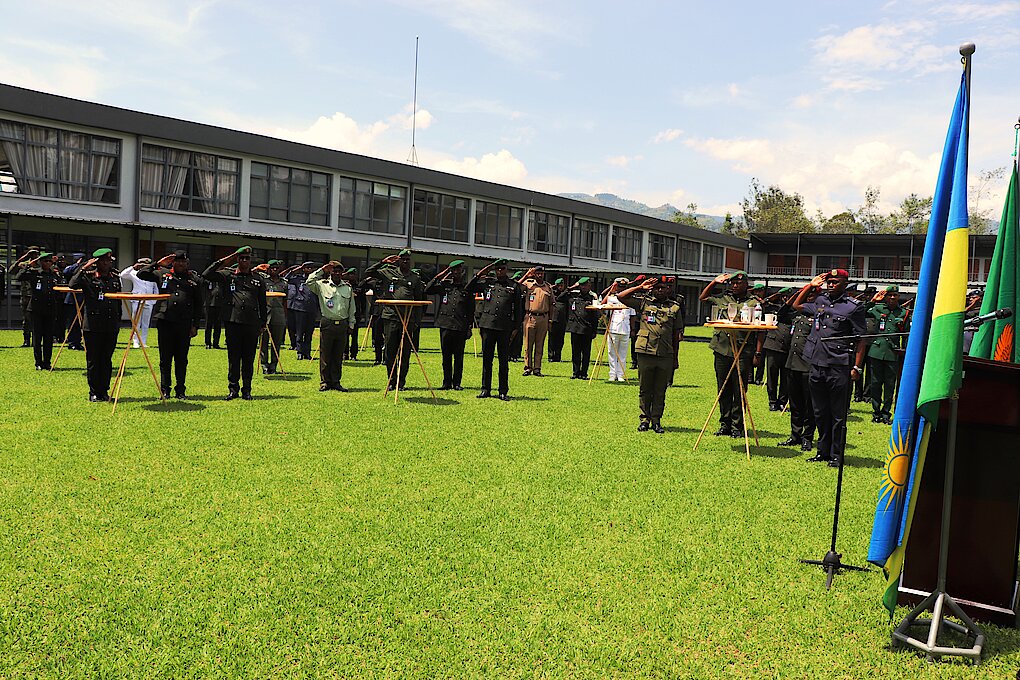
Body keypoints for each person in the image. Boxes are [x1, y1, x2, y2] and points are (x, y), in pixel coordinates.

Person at [793, 269, 867, 467]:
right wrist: (810, 286)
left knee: (837, 414)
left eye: (836, 282)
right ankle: (822, 451)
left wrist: (857, 367)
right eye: (829, 282)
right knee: (819, 412)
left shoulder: (853, 307)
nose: (831, 285)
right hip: (817, 363)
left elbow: (862, 339)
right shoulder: (820, 300)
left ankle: (836, 455)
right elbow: (797, 305)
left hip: (838, 365)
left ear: (845, 284)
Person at [617, 276, 684, 432]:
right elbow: (621, 296)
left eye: (663, 287)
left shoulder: (675, 307)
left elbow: (676, 335)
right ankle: (644, 419)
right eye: (657, 287)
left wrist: (675, 357)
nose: (660, 290)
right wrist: (640, 287)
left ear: (668, 289)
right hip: (645, 351)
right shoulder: (644, 302)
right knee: (645, 388)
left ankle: (656, 420)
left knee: (660, 390)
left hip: (665, 353)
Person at [202, 246, 268, 401]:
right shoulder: (228, 276)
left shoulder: (258, 279)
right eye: (241, 258)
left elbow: (262, 303)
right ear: (237, 260)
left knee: (248, 358)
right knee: (234, 357)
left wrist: (262, 323)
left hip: (251, 323)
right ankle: (233, 389)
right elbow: (206, 274)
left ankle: (247, 389)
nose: (244, 261)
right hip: (233, 322)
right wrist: (230, 256)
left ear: (250, 261)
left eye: (247, 258)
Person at [137, 251, 203, 398]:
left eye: (183, 261)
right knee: (165, 358)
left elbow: (198, 304)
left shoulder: (194, 279)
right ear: (173, 262)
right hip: (165, 320)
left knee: (181, 359)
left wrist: (195, 325)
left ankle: (180, 389)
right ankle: (165, 389)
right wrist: (158, 263)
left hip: (184, 322)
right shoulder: (163, 274)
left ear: (187, 263)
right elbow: (141, 274)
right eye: (177, 261)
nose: (180, 264)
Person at [699, 271, 756, 438]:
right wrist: (714, 282)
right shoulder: (723, 298)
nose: (735, 286)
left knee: (739, 390)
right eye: (733, 283)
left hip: (742, 350)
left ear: (746, 284)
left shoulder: (753, 302)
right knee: (723, 389)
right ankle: (725, 424)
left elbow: (759, 329)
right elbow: (703, 297)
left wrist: (758, 353)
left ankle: (737, 426)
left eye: (739, 283)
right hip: (722, 349)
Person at [365, 249, 426, 391]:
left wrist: (416, 321)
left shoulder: (415, 278)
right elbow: (369, 272)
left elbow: (419, 300)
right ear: (398, 260)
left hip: (407, 319)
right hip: (391, 317)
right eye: (402, 259)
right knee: (390, 351)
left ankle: (401, 382)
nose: (405, 261)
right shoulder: (388, 272)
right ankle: (391, 381)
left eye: (407, 259)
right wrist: (382, 262)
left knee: (405, 352)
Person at [68, 248, 123, 402]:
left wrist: (118, 319)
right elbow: (72, 284)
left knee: (106, 359)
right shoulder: (88, 277)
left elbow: (117, 301)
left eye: (109, 261)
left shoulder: (115, 277)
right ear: (97, 262)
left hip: (111, 325)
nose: (107, 263)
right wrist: (83, 268)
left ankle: (104, 390)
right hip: (93, 325)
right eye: (103, 261)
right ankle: (93, 392)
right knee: (93, 360)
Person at [467, 258, 523, 400]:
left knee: (503, 361)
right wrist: (480, 273)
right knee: (487, 359)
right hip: (488, 326)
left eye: (502, 269)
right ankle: (485, 389)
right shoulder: (488, 283)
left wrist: (516, 328)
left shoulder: (514, 286)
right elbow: (469, 288)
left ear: (506, 269)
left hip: (504, 327)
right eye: (497, 269)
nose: (499, 271)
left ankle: (503, 391)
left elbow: (518, 309)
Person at [305, 261, 357, 392]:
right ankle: (325, 382)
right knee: (325, 354)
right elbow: (309, 282)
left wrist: (351, 323)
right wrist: (322, 269)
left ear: (342, 273)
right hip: (328, 322)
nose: (337, 273)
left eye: (339, 271)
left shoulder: (347, 288)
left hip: (342, 324)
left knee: (338, 355)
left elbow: (351, 308)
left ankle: (336, 381)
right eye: (334, 271)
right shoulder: (322, 285)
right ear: (330, 272)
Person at [425, 259, 474, 390]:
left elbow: (471, 310)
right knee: (446, 356)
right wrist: (442, 274)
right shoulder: (444, 286)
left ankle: (457, 383)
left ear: (462, 271)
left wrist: (469, 327)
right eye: (453, 270)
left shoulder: (467, 288)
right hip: (445, 325)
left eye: (458, 270)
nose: (456, 272)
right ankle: (446, 382)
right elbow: (428, 289)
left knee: (458, 357)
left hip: (460, 326)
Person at [866, 285, 909, 424]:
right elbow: (862, 313)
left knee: (890, 385)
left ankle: (886, 413)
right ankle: (876, 412)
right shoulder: (878, 308)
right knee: (875, 383)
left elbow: (906, 334)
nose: (892, 298)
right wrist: (873, 301)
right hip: (877, 351)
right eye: (889, 295)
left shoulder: (903, 313)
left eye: (894, 295)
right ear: (885, 297)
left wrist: (904, 352)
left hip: (893, 352)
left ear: (898, 297)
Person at [779, 290, 816, 452]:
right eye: (806, 296)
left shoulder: (818, 316)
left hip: (808, 365)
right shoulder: (797, 315)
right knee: (795, 404)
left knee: (809, 405)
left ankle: (807, 438)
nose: (808, 298)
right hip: (792, 364)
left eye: (812, 295)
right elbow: (781, 315)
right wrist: (795, 296)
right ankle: (795, 435)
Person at [15, 251, 64, 370]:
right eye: (45, 261)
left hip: (50, 309)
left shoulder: (54, 274)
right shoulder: (35, 273)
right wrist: (28, 265)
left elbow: (61, 284)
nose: (48, 263)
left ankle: (47, 362)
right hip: (36, 309)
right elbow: (19, 277)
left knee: (48, 337)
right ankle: (38, 362)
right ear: (40, 262)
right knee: (37, 337)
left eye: (50, 261)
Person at [755, 286, 793, 411]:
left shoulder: (794, 309)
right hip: (773, 345)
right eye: (783, 296)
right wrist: (775, 295)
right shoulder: (772, 307)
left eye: (788, 296)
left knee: (786, 377)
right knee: (772, 375)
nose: (785, 298)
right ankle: (772, 400)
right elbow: (762, 303)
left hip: (788, 346)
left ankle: (782, 401)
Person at [558, 277, 599, 379]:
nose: (584, 287)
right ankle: (575, 372)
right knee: (575, 352)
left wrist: (594, 330)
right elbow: (559, 298)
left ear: (589, 286)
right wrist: (572, 287)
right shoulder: (573, 295)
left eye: (586, 285)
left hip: (587, 328)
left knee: (586, 353)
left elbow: (595, 316)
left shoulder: (592, 298)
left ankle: (584, 373)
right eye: (582, 285)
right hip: (575, 328)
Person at [519, 265, 555, 377]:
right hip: (530, 317)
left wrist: (550, 320)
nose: (540, 275)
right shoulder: (528, 284)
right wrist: (526, 275)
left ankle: (537, 368)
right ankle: (528, 367)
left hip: (543, 318)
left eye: (541, 273)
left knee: (540, 345)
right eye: (537, 273)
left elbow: (552, 304)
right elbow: (515, 287)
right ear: (534, 274)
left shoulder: (548, 287)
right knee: (528, 345)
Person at [256, 259, 288, 374]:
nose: (275, 270)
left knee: (276, 342)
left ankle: (274, 365)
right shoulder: (263, 281)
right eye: (272, 268)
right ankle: (264, 364)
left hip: (278, 315)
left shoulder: (284, 283)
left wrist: (285, 316)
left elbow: (285, 301)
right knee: (263, 342)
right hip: (265, 314)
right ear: (268, 269)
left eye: (277, 268)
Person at [602, 277, 637, 382]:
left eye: (623, 287)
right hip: (613, 328)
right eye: (620, 286)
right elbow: (602, 304)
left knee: (623, 353)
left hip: (625, 329)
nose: (622, 289)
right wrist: (611, 290)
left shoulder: (630, 300)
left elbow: (633, 316)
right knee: (612, 353)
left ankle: (621, 374)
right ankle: (612, 374)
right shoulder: (612, 298)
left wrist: (633, 329)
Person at [120, 257, 158, 347]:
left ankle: (143, 342)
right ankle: (136, 341)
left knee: (146, 323)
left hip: (148, 301)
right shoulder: (134, 273)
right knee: (136, 322)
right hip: (137, 300)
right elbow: (122, 275)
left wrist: (153, 301)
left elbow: (156, 288)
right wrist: (132, 267)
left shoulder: (152, 275)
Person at [12, 247, 42, 347]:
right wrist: (23, 258)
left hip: (38, 295)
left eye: (36, 253)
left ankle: (36, 339)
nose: (34, 256)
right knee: (27, 319)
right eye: (32, 254)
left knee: (38, 319)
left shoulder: (42, 265)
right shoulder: (24, 264)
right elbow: (11, 271)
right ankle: (26, 339)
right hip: (26, 295)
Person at [286, 262, 316, 360]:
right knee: (299, 332)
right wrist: (296, 269)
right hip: (299, 308)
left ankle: (307, 352)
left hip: (311, 308)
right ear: (303, 269)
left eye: (311, 268)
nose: (309, 269)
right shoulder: (298, 279)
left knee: (309, 332)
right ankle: (299, 352)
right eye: (307, 268)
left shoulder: (316, 280)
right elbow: (286, 278)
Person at [61, 253, 87, 351]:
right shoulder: (72, 268)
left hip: (83, 299)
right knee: (73, 322)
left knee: (81, 322)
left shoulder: (86, 269)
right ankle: (72, 342)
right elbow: (66, 272)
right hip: (72, 299)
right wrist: (77, 264)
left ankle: (78, 341)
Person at [345, 268, 364, 361]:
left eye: (353, 274)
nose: (351, 276)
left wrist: (363, 313)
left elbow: (363, 301)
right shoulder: (344, 286)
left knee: (355, 335)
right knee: (345, 335)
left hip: (356, 313)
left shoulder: (359, 286)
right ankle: (345, 353)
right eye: (350, 274)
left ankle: (353, 354)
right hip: (345, 313)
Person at [547, 277, 567, 362]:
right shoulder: (552, 294)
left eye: (562, 285)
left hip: (562, 320)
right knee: (552, 339)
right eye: (559, 285)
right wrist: (553, 287)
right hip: (553, 320)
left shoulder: (566, 294)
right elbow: (548, 290)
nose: (560, 287)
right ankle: (551, 356)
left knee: (560, 340)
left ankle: (558, 356)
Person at [203, 269, 224, 350]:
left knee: (218, 325)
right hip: (209, 304)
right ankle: (208, 343)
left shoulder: (222, 280)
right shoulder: (208, 280)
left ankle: (216, 343)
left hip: (219, 304)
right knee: (208, 324)